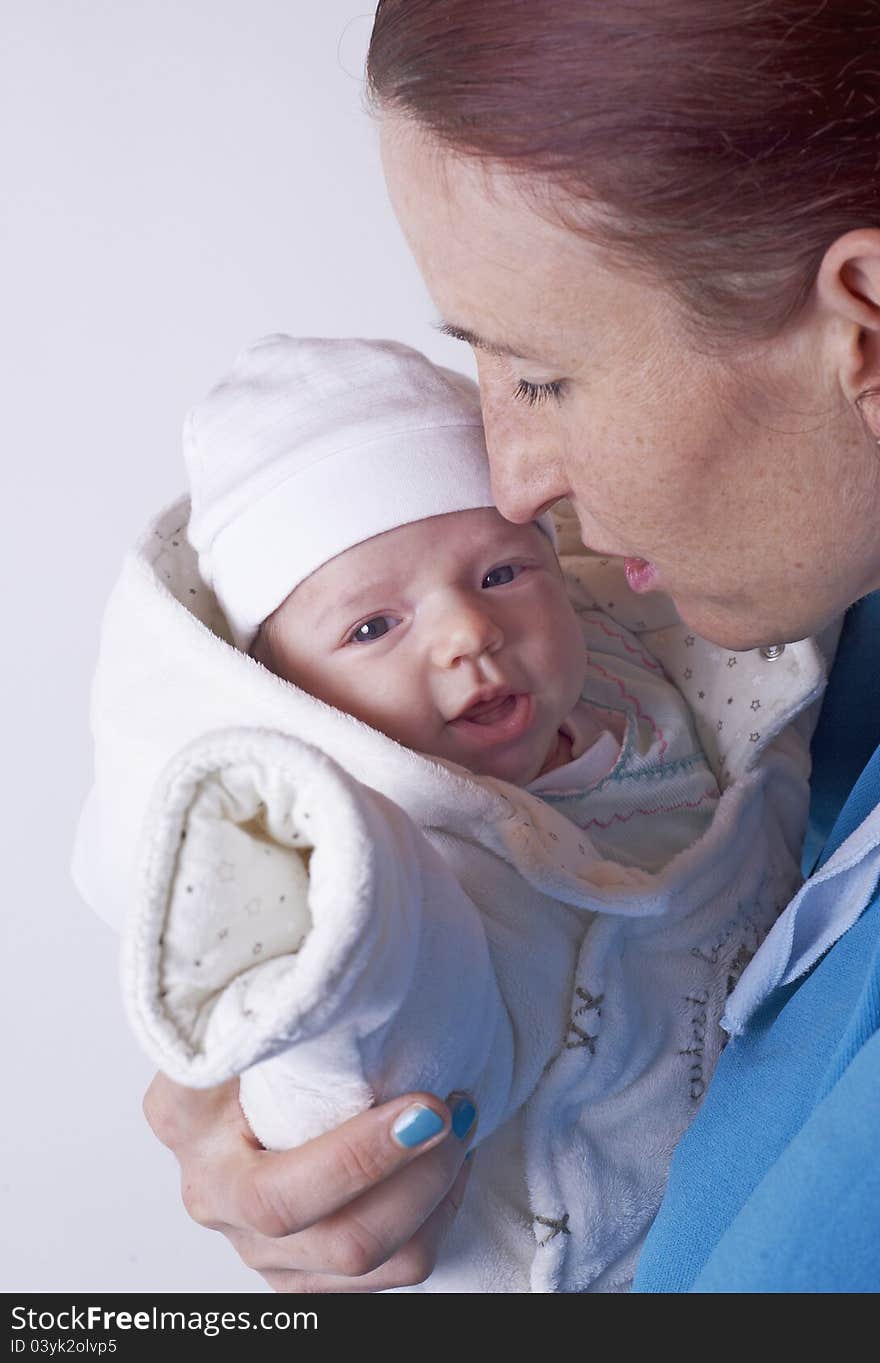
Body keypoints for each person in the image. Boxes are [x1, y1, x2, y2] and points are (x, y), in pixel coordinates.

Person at [137, 0, 880, 1292]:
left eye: (538, 376)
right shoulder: (814, 640)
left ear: (865, 321)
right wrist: (306, 1055)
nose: (512, 478)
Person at [75, 332, 820, 1291]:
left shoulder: (645, 665)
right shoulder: (419, 848)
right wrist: (340, 950)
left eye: (503, 572)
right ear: (289, 692)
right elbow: (431, 1036)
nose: (471, 631)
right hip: (583, 1233)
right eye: (373, 626)